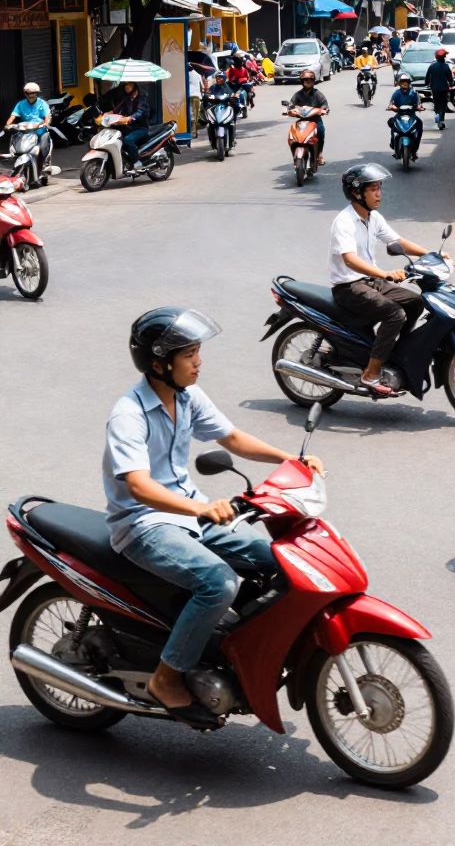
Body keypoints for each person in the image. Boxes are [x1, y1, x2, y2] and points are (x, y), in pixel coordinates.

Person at [104, 307, 324, 726]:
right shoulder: (129, 414)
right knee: (217, 582)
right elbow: (139, 486)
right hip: (143, 526)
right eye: (189, 355)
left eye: (198, 352)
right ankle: (166, 679)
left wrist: (291, 461)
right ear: (159, 363)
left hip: (188, 516)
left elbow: (233, 437)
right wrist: (201, 507)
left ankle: (225, 647)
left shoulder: (187, 397)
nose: (199, 362)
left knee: (279, 560)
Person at [330, 164, 441, 394]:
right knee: (394, 314)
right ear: (357, 193)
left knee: (416, 302)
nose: (379, 193)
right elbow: (349, 260)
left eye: (379, 188)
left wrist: (431, 255)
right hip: (349, 287)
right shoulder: (344, 221)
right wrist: (384, 273)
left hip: (370, 281)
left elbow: (397, 240)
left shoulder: (374, 218)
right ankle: (370, 374)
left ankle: (394, 354)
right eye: (373, 189)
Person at [5, 81, 52, 166]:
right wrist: (7, 125)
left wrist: (46, 123)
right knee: (15, 144)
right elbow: (13, 116)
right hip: (25, 131)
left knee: (43, 148)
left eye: (33, 93)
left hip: (40, 131)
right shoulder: (20, 104)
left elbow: (47, 117)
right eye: (28, 93)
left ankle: (45, 165)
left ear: (37, 93)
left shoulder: (43, 104)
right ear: (25, 94)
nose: (30, 95)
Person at [288, 70, 329, 165]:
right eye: (305, 80)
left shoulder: (317, 94)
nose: (308, 82)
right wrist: (289, 109)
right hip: (302, 119)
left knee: (321, 132)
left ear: (313, 81)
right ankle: (295, 153)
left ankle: (319, 154)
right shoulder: (298, 94)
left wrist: (324, 109)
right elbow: (291, 104)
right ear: (302, 81)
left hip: (315, 119)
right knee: (292, 134)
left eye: (310, 80)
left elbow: (324, 104)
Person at [110, 81, 150, 164]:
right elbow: (118, 110)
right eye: (126, 85)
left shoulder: (141, 100)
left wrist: (131, 118)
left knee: (127, 139)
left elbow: (139, 112)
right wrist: (109, 115)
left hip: (140, 127)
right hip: (129, 127)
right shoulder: (126, 99)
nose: (127, 87)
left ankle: (137, 161)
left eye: (129, 85)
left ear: (135, 87)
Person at [387, 73, 423, 160]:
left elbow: (418, 103)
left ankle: (415, 149)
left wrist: (419, 107)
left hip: (411, 115)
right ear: (400, 83)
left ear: (409, 83)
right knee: (392, 123)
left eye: (406, 82)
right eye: (403, 82)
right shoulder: (397, 93)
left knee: (420, 124)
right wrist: (392, 107)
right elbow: (392, 103)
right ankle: (393, 144)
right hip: (399, 115)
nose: (404, 84)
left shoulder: (414, 93)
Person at [424, 47, 454, 129]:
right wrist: (451, 82)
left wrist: (426, 84)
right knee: (443, 105)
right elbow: (450, 78)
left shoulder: (432, 66)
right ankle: (440, 120)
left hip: (434, 89)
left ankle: (438, 118)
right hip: (444, 89)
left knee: (437, 104)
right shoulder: (446, 66)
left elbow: (427, 78)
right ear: (443, 58)